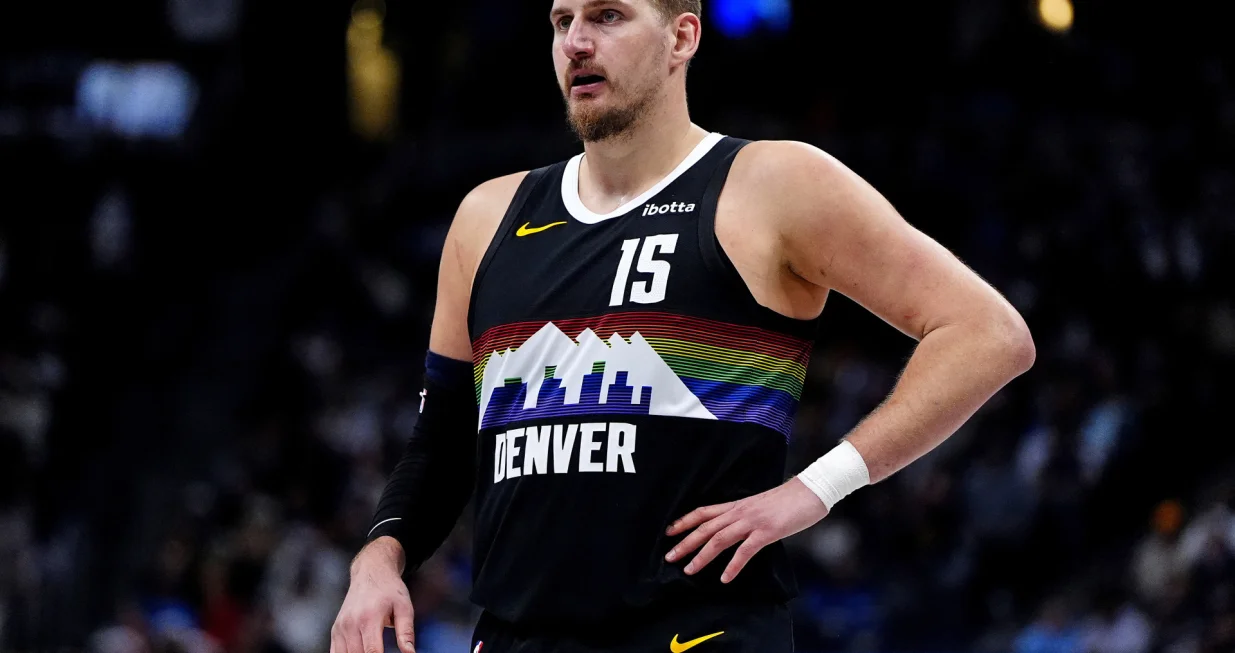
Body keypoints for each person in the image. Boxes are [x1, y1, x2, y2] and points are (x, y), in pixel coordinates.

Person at [331, 1, 1036, 652]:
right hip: (520, 632)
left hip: (699, 629)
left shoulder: (769, 183)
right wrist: (379, 554)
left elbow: (986, 333)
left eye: (607, 15)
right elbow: (443, 436)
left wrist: (815, 488)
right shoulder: (487, 216)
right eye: (561, 19)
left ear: (682, 36)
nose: (575, 42)